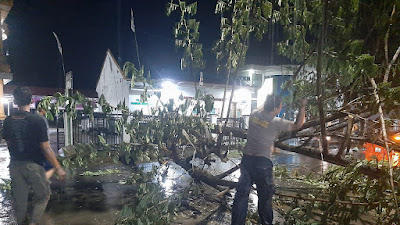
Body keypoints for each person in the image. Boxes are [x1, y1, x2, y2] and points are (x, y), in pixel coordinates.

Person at [231, 94, 306, 225]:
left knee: (241, 196)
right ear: (276, 107)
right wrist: (302, 105)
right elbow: (298, 125)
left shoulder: (254, 115)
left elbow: (262, 110)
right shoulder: (276, 122)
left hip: (247, 160)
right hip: (263, 164)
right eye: (280, 106)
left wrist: (271, 101)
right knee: (265, 199)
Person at [2, 86, 66, 225]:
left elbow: (9, 143)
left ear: (14, 101)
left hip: (15, 165)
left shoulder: (7, 121)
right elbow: (46, 147)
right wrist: (58, 167)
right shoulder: (36, 120)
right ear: (31, 101)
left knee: (20, 202)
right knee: (43, 195)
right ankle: (34, 223)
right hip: (33, 166)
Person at [35, 100, 56, 180]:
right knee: (52, 167)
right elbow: (44, 139)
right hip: (42, 149)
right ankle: (40, 183)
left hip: (36, 149)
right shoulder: (42, 120)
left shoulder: (34, 118)